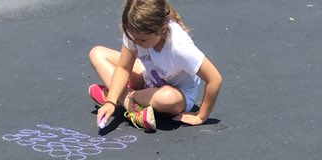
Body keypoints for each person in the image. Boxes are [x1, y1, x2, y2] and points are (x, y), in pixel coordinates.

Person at [87, 0, 222, 132]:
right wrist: (110, 102)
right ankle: (132, 107)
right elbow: (123, 68)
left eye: (142, 40)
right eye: (133, 39)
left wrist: (201, 116)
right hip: (148, 79)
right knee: (97, 53)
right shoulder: (134, 32)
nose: (137, 43)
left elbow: (214, 78)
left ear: (162, 29)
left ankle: (123, 97)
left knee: (167, 97)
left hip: (177, 95)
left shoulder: (180, 47)